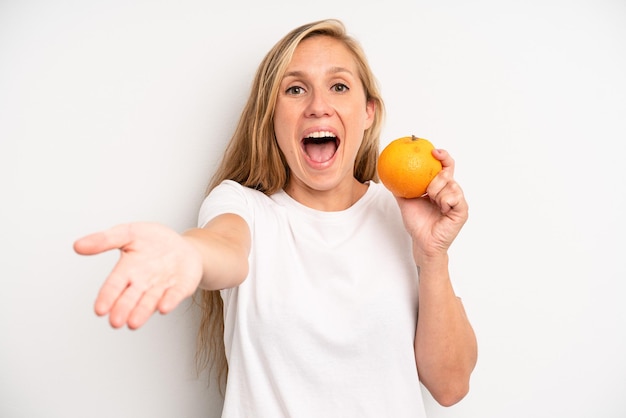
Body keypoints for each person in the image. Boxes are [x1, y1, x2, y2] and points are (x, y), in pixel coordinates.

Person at [74, 18, 477, 417]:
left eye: (339, 86)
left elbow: (451, 386)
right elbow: (226, 248)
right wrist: (188, 254)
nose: (319, 106)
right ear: (271, 114)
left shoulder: (402, 216)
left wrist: (432, 255)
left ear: (368, 112)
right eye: (295, 89)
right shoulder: (243, 206)